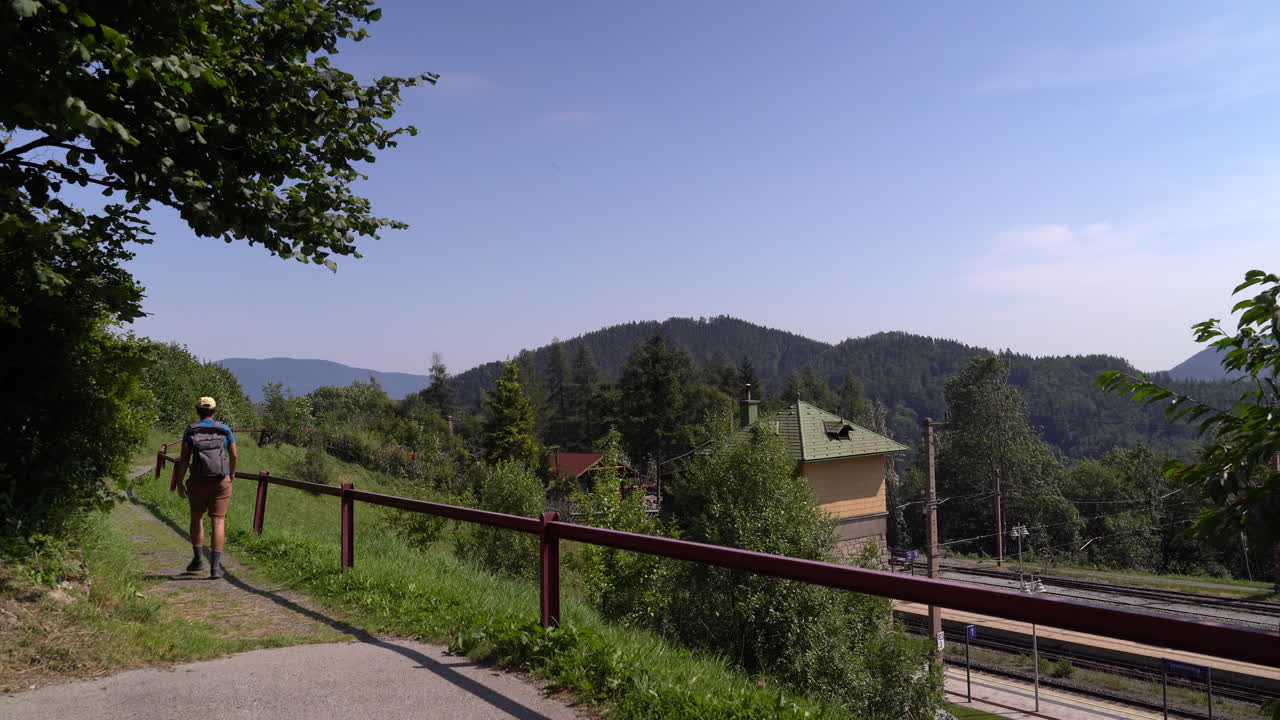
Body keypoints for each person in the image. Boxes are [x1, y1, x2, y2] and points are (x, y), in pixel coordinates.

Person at [175, 396, 237, 579]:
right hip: (220, 481)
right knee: (218, 521)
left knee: (197, 517)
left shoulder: (191, 430)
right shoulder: (225, 429)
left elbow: (184, 459)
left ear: (198, 411)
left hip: (197, 481)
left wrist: (179, 482)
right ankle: (215, 568)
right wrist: (231, 474)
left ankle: (198, 560)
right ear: (214, 411)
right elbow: (234, 455)